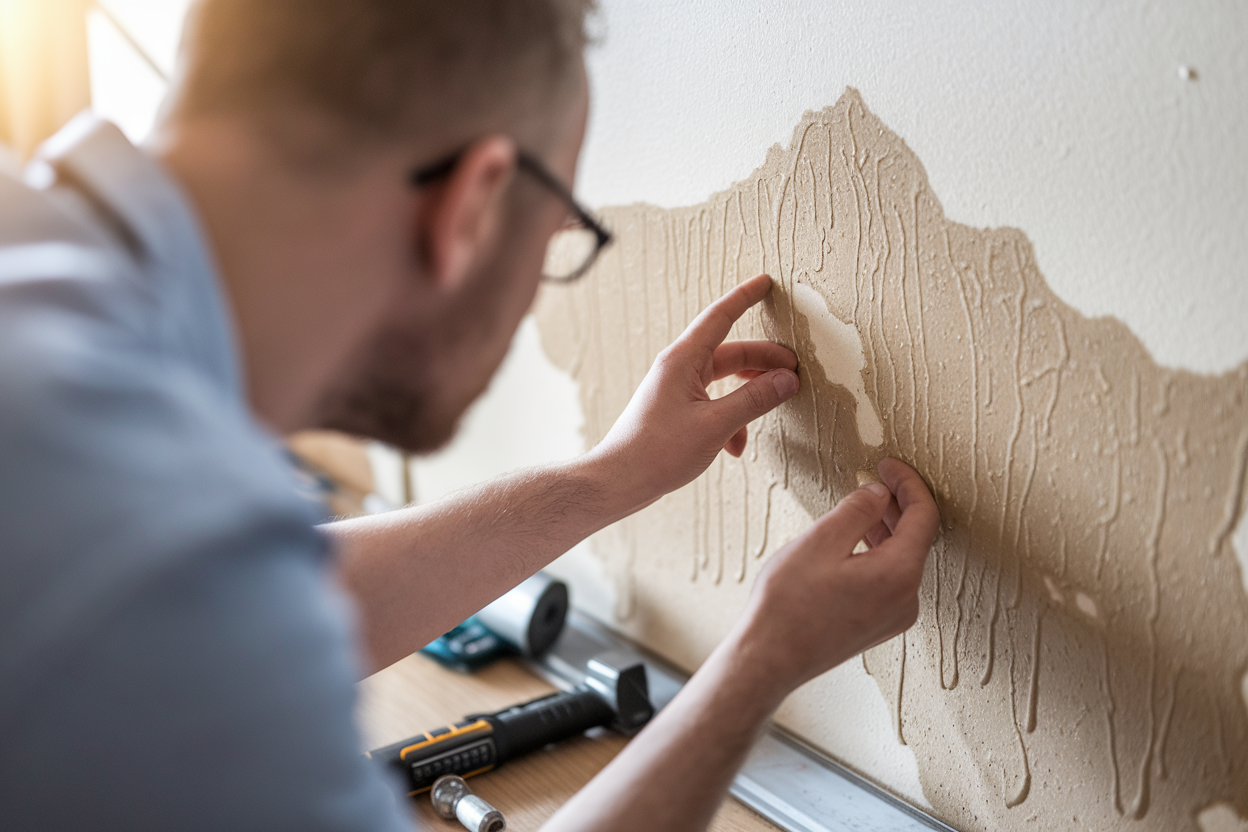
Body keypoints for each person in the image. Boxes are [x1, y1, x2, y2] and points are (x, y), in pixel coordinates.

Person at [0, 1, 940, 830]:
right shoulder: (149, 536)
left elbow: (255, 603)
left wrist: (611, 478)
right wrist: (761, 666)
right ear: (472, 207)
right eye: (556, 234)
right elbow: (196, 602)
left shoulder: (44, 286)